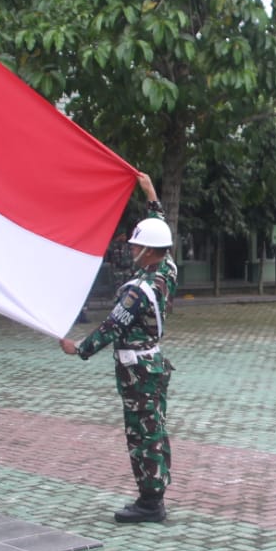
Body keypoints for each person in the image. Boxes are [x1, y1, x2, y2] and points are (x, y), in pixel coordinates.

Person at [62, 173, 179, 523]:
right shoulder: (167, 271)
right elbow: (161, 234)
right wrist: (151, 195)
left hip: (137, 372)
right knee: (154, 428)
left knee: (143, 435)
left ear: (147, 251)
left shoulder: (138, 291)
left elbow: (112, 327)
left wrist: (79, 348)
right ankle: (152, 497)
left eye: (135, 245)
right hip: (152, 364)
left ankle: (150, 503)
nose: (130, 249)